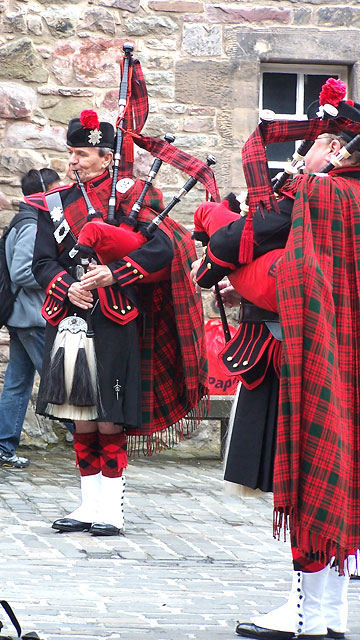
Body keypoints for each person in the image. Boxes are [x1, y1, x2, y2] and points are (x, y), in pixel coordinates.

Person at [192, 86, 360, 639]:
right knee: (331, 492)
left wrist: (229, 260)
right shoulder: (333, 196)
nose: (313, 148)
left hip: (314, 359)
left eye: (325, 140)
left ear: (343, 148)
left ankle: (310, 616)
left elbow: (283, 279)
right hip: (336, 360)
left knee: (313, 491)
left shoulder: (328, 198)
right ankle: (325, 615)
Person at [30, 110, 208, 537]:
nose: (73, 161)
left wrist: (115, 272)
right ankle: (89, 503)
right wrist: (64, 287)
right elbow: (40, 263)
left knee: (108, 415)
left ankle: (111, 507)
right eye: (70, 153)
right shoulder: (55, 203)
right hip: (70, 316)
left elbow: (164, 248)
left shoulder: (133, 195)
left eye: (82, 154)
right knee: (80, 415)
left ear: (106, 157)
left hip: (114, 318)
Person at [0, 168, 61, 469]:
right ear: (46, 190)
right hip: (31, 318)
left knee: (18, 382)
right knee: (57, 380)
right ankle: (89, 443)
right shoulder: (33, 224)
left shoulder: (30, 220)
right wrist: (59, 277)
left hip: (24, 316)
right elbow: (22, 271)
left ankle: (3, 447)